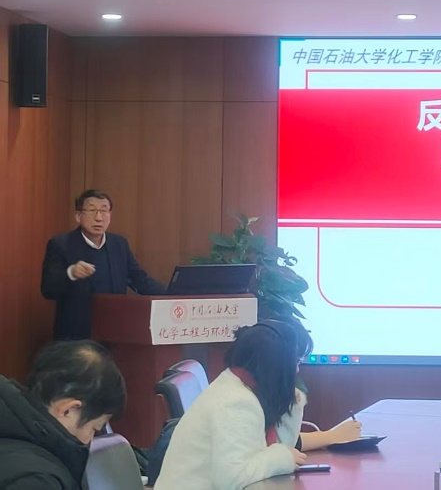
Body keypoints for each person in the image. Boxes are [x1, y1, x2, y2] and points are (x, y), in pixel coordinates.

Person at [154, 320, 361, 490]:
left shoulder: (238, 386)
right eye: (296, 362)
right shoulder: (236, 402)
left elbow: (281, 444)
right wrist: (282, 457)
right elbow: (232, 480)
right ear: (276, 364)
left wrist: (291, 402)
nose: (296, 371)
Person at [0, 340, 127, 489]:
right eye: (94, 429)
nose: (90, 441)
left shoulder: (12, 422)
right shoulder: (37, 480)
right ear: (69, 410)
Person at [41, 189, 165, 340]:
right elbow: (48, 289)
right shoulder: (61, 244)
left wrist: (172, 294)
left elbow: (139, 279)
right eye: (92, 210)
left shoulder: (119, 244)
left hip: (114, 332)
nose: (99, 218)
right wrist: (70, 273)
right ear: (78, 216)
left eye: (104, 211)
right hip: (75, 336)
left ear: (110, 216)